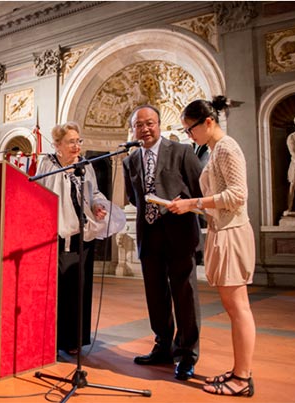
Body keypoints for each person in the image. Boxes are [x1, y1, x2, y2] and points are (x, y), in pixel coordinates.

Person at [168, 96, 256, 397]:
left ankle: (242, 379)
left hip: (232, 233)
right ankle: (239, 371)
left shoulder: (226, 148)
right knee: (234, 307)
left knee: (239, 308)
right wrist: (190, 207)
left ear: (208, 122)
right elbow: (219, 199)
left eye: (190, 129)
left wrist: (193, 202)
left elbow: (237, 195)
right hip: (223, 230)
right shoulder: (215, 149)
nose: (189, 136)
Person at [122, 105, 203, 381]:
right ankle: (162, 347)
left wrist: (184, 204)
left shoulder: (182, 152)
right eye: (139, 125)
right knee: (155, 295)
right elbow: (135, 198)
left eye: (150, 123)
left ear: (159, 124)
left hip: (179, 233)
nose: (145, 129)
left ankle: (187, 355)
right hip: (150, 234)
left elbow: (197, 190)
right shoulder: (129, 161)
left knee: (185, 295)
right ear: (133, 129)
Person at [37, 121, 125, 356]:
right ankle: (51, 338)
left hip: (82, 235)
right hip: (54, 235)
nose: (76, 146)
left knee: (78, 288)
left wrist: (97, 205)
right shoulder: (47, 163)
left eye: (78, 141)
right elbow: (38, 193)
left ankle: (73, 340)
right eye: (71, 142)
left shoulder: (85, 167)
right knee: (56, 288)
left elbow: (93, 192)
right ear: (58, 145)